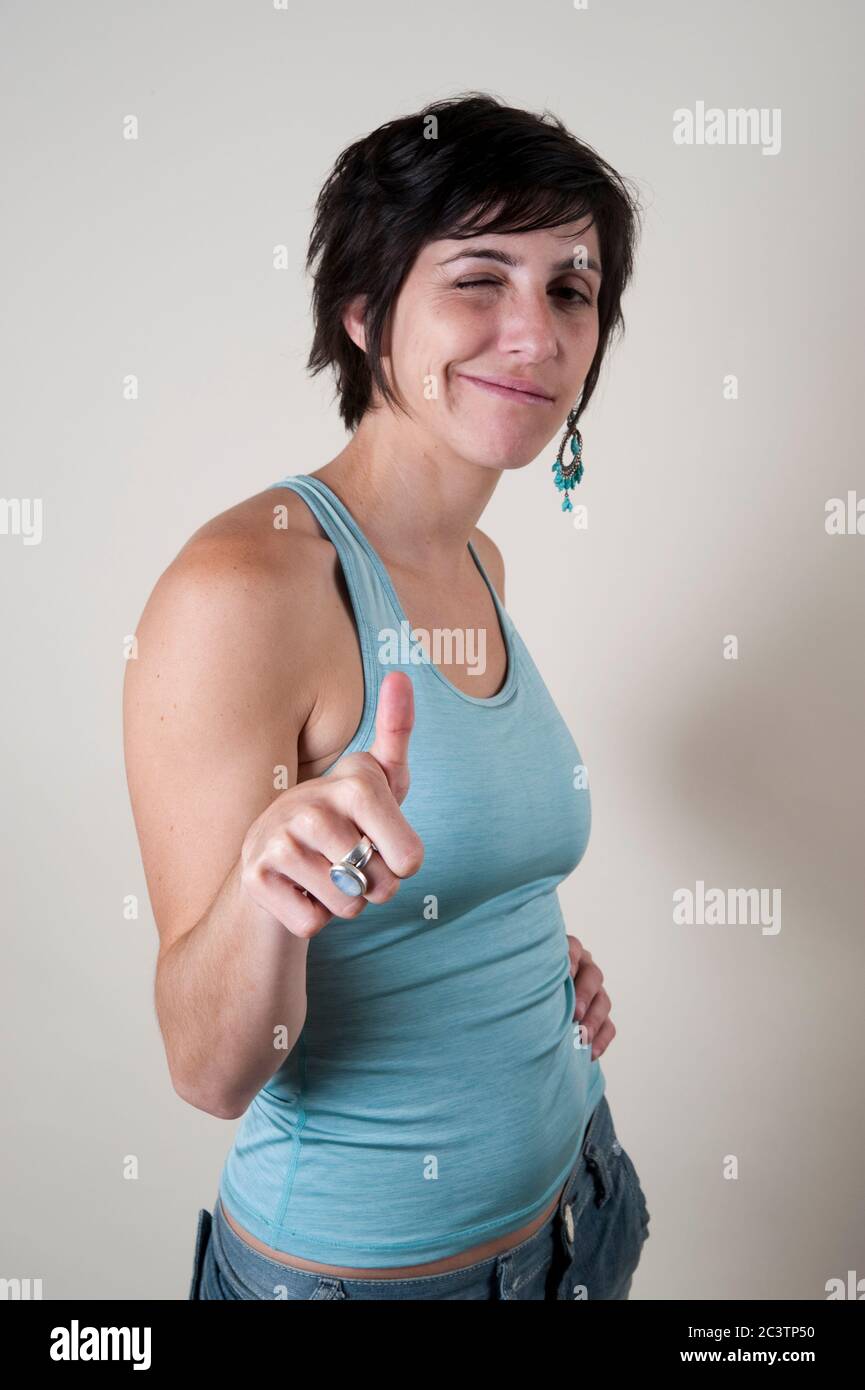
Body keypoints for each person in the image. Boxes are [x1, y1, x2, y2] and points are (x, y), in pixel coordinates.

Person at [123, 91, 649, 1300]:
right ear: (364, 315)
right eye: (479, 278)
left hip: (579, 1209)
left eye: (570, 288)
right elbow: (209, 1069)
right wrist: (270, 881)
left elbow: (437, 870)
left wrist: (512, 941)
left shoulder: (479, 561)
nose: (538, 333)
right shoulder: (244, 587)